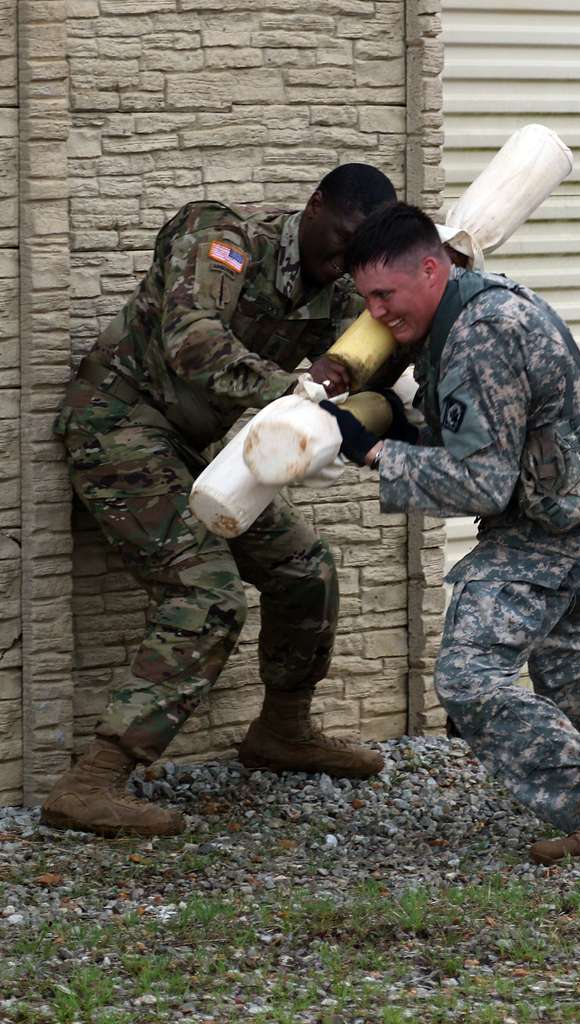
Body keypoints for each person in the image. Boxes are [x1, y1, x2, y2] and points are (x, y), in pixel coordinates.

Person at [321, 202, 580, 865]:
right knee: (571, 652)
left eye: (383, 295)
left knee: (469, 677)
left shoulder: (481, 336)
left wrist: (376, 454)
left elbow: (479, 484)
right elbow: (490, 436)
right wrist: (406, 429)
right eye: (365, 299)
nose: (374, 314)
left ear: (430, 269)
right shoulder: (474, 305)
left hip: (553, 525)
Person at [42, 164, 399, 839]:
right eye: (342, 239)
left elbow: (377, 372)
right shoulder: (221, 238)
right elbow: (192, 340)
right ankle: (91, 783)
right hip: (115, 427)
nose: (344, 260)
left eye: (361, 253)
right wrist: (295, 390)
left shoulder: (343, 298)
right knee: (208, 594)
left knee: (307, 567)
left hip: (195, 452)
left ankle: (281, 731)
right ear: (313, 205)